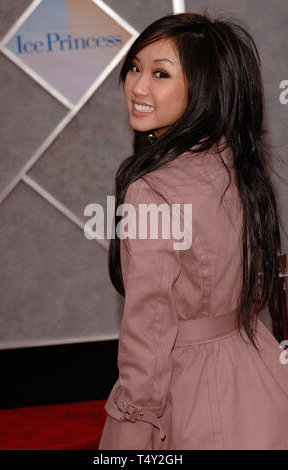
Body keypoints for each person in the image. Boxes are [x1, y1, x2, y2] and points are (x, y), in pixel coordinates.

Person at [98, 12, 288, 450]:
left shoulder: (150, 190)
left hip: (186, 393)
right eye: (135, 67)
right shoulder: (236, 166)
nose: (138, 87)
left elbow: (148, 328)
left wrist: (132, 427)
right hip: (257, 374)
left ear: (205, 88)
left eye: (160, 74)